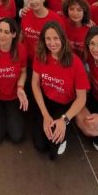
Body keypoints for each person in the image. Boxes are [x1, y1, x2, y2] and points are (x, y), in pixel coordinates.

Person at [31, 21, 89, 159]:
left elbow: (81, 98)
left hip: (65, 106)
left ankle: (67, 128)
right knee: (40, 145)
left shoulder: (75, 62)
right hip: (47, 101)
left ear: (62, 39)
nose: (52, 43)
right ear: (43, 40)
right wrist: (45, 115)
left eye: (56, 38)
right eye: (48, 39)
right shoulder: (40, 56)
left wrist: (64, 120)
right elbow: (35, 84)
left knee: (53, 152)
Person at [21, 0, 65, 65]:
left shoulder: (55, 19)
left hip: (45, 61)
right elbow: (22, 35)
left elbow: (62, 42)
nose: (33, 1)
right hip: (27, 60)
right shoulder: (26, 14)